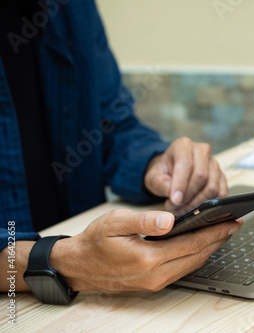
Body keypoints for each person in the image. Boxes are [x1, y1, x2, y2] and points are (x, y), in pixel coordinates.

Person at [0, 0, 241, 300]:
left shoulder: (74, 8)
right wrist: (58, 261)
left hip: (93, 298)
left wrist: (155, 164)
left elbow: (112, 126)